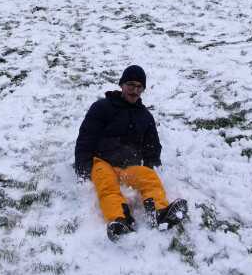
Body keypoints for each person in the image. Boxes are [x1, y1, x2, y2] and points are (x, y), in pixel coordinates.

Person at [74, 65, 188, 241]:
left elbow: (152, 145)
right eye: (130, 85)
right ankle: (120, 220)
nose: (134, 91)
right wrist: (83, 165)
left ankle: (159, 213)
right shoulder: (102, 108)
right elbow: (86, 137)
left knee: (149, 179)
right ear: (122, 85)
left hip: (129, 168)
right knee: (107, 186)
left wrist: (151, 164)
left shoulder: (145, 117)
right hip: (102, 162)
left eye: (139, 87)